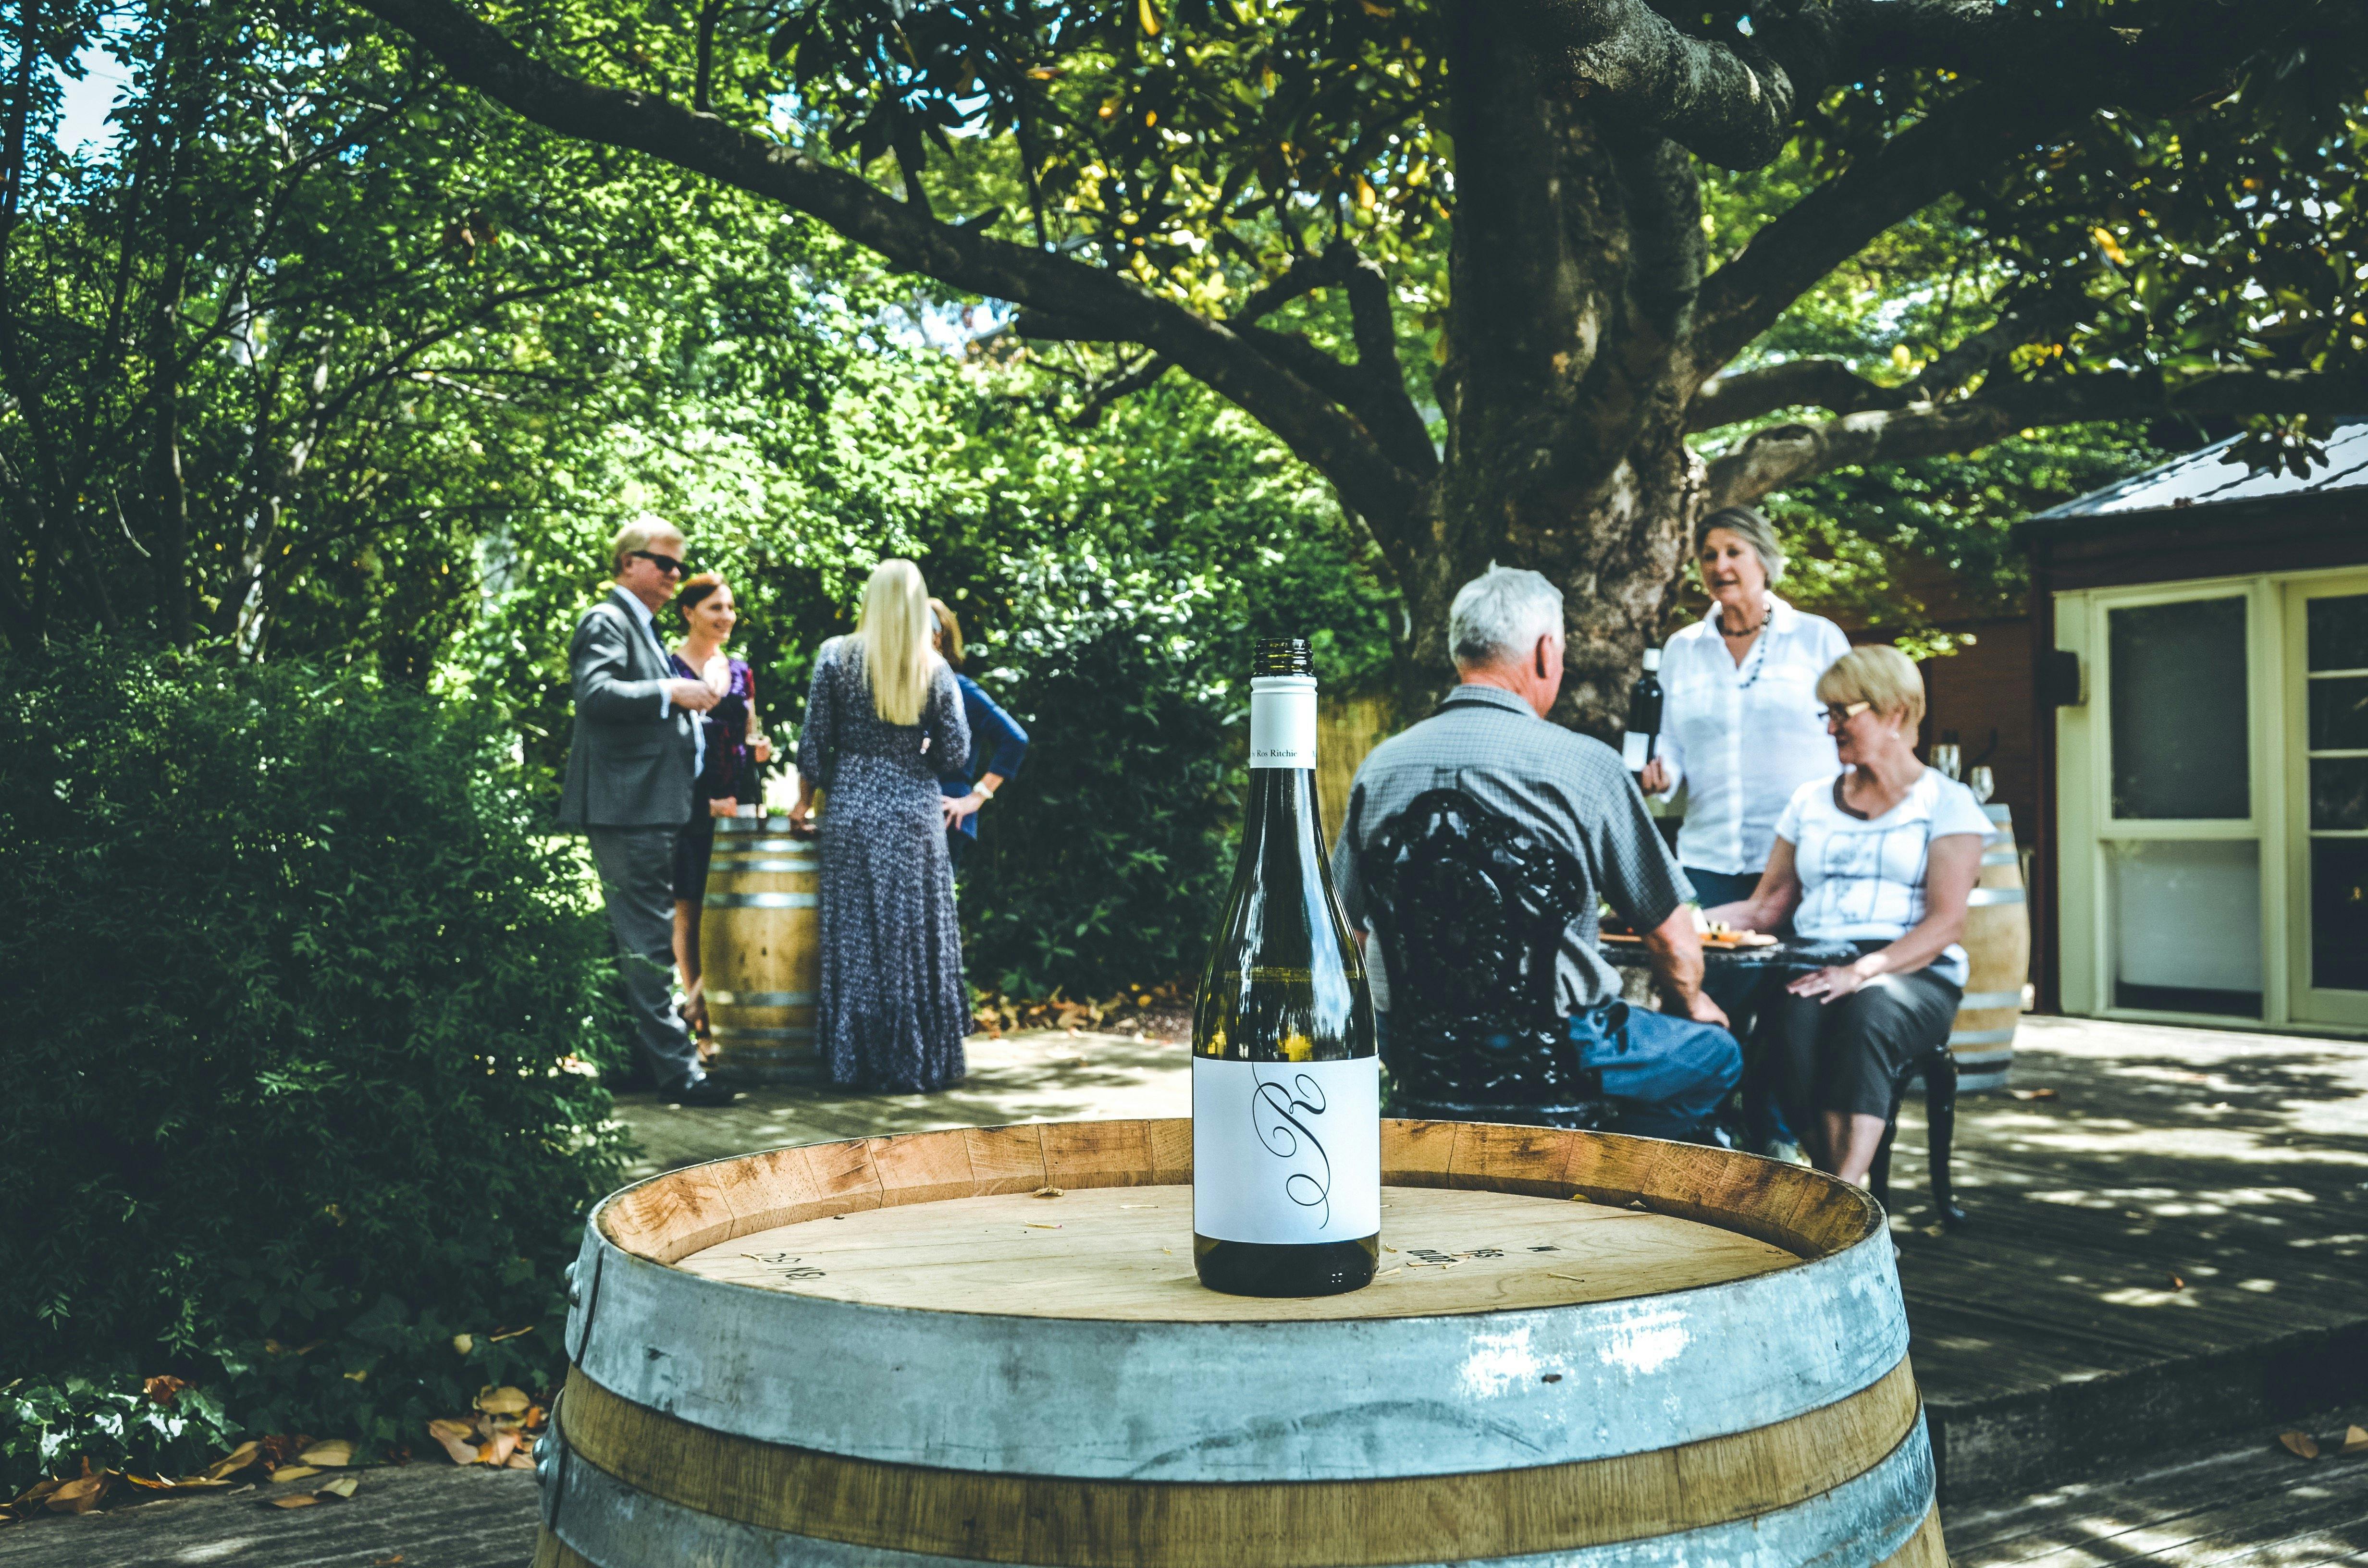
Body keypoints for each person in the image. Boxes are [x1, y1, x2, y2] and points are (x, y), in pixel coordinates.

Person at [1331, 566, 1741, 1143]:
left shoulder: (1381, 767)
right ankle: (1617, 1179)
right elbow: (1672, 941)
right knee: (1715, 1055)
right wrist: (1691, 1002)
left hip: (1417, 1052)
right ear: (1547, 652)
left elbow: (1341, 925)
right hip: (1560, 1052)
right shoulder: (1584, 767)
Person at [1702, 645, 1987, 1185]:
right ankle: (1844, 1195)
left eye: (1842, 713)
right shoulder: (1809, 801)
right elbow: (1767, 906)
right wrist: (1681, 921)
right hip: (1816, 961)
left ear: (1894, 713)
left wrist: (1862, 971)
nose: (1829, 727)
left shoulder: (1947, 803)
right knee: (1791, 1015)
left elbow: (1945, 923)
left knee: (1868, 1013)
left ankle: (1841, 1192)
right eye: (1825, 713)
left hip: (1912, 971)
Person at [556, 519, 733, 1107]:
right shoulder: (606, 620)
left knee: (631, 941)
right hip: (627, 805)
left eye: (679, 565)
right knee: (648, 943)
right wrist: (672, 692)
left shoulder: (642, 625)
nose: (676, 576)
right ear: (629, 563)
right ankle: (679, 1074)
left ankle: (630, 1064)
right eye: (666, 564)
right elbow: (596, 693)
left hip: (646, 803)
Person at [789, 560, 972, 1092]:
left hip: (850, 808)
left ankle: (857, 1062)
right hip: (914, 809)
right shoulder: (934, 669)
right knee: (914, 936)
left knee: (856, 934)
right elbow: (956, 753)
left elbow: (811, 747)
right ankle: (920, 1060)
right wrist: (918, 751)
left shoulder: (834, 656)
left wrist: (806, 800)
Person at [1641, 507, 1850, 919]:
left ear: (1763, 559)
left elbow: (1856, 730)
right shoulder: (1682, 650)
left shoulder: (1817, 638)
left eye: (1734, 552)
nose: (1720, 566)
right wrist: (1661, 773)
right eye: (1708, 555)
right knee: (1714, 979)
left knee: (1799, 980)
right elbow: (1666, 740)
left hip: (1806, 853)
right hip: (1709, 858)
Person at [666, 572, 772, 1051]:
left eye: (730, 608)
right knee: (689, 904)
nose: (726, 617)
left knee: (734, 907)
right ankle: (702, 1017)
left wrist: (758, 752)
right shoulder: (669, 667)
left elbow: (749, 732)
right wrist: (700, 801)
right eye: (715, 608)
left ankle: (698, 1005)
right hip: (690, 805)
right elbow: (664, 747)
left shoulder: (742, 670)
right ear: (689, 612)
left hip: (737, 804)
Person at [928, 598, 1029, 876]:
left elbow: (1015, 739)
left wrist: (975, 798)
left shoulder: (961, 689)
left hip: (948, 813)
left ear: (939, 638)